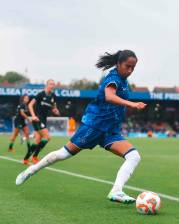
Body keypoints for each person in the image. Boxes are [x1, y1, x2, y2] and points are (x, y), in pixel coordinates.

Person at [16, 50, 147, 204]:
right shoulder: (113, 78)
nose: (130, 71)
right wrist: (132, 104)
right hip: (94, 126)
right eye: (127, 66)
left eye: (133, 68)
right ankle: (31, 170)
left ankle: (116, 191)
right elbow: (109, 96)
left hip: (110, 131)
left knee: (134, 156)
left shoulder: (124, 81)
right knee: (63, 154)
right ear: (118, 64)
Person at [23, 79, 60, 165]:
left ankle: (26, 159)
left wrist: (55, 110)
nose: (52, 86)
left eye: (53, 84)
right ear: (46, 85)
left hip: (44, 119)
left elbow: (54, 106)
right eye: (50, 84)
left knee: (37, 141)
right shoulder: (41, 94)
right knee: (47, 137)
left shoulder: (53, 96)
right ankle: (35, 156)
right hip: (37, 119)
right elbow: (30, 105)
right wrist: (33, 116)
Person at [8, 95, 31, 159]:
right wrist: (28, 119)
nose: (27, 99)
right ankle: (10, 147)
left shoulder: (25, 105)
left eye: (28, 98)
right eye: (26, 98)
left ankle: (29, 148)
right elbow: (22, 113)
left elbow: (24, 113)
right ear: (23, 99)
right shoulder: (22, 105)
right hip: (18, 121)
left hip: (22, 121)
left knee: (27, 133)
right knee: (15, 135)